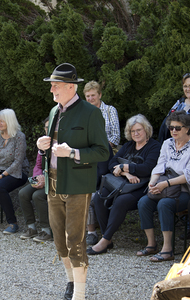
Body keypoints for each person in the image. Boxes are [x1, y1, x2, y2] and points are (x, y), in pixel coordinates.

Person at [37, 63, 109, 300]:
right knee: (60, 242)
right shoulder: (53, 111)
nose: (52, 90)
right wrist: (42, 147)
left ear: (70, 87)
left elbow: (102, 152)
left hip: (77, 185)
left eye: (55, 86)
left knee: (75, 241)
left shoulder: (91, 113)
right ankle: (71, 282)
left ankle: (79, 294)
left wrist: (73, 153)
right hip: (53, 184)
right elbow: (52, 150)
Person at [87, 114, 160, 256]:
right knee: (99, 198)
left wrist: (124, 167)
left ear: (146, 130)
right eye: (133, 131)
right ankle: (107, 238)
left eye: (139, 130)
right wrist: (126, 173)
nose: (136, 133)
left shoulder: (154, 146)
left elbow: (147, 168)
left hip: (141, 186)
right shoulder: (128, 146)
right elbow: (112, 164)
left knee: (121, 201)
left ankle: (104, 240)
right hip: (122, 183)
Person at [137, 111, 190, 262]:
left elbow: (188, 175)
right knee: (144, 202)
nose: (173, 131)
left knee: (165, 204)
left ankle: (167, 249)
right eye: (171, 127)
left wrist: (164, 184)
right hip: (164, 186)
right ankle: (151, 244)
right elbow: (159, 166)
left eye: (178, 128)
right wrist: (152, 183)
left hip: (184, 189)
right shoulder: (167, 144)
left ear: (187, 128)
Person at [83, 80, 120, 245]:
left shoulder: (110, 110)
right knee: (86, 190)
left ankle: (104, 232)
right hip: (89, 156)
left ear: (99, 95)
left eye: (93, 95)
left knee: (96, 188)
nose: (90, 98)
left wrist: (100, 148)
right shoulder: (83, 112)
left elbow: (115, 136)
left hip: (107, 155)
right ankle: (91, 231)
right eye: (87, 96)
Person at [19, 117, 52, 242]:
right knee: (22, 193)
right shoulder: (43, 144)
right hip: (41, 178)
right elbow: (38, 165)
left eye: (50, 126)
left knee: (37, 196)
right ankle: (31, 228)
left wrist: (46, 179)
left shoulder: (60, 144)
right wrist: (38, 177)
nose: (48, 129)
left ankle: (46, 230)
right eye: (46, 127)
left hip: (55, 180)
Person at [158, 73, 190, 144]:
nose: (188, 89)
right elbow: (166, 124)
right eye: (185, 86)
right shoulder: (179, 104)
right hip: (172, 146)